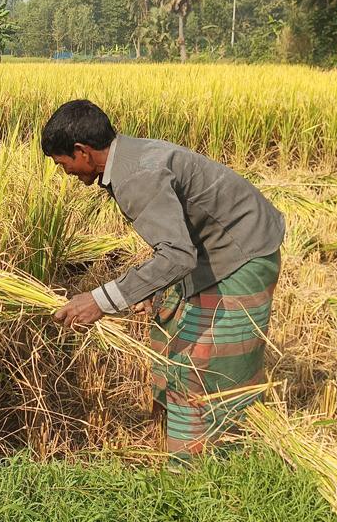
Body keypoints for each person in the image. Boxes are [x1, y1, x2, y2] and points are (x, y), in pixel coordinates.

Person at [43, 99, 285, 463]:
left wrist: (99, 301)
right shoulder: (127, 157)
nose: (67, 174)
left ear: (83, 151)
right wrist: (149, 287)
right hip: (211, 251)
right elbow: (176, 246)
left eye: (63, 164)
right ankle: (186, 445)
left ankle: (215, 468)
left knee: (208, 372)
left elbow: (176, 256)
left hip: (244, 252)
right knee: (169, 332)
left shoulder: (136, 176)